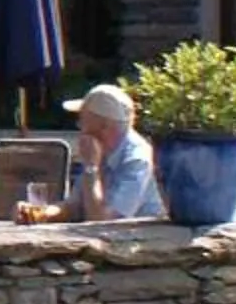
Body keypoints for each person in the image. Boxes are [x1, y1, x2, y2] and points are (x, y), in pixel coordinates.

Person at [62, 83, 163, 221]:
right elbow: (73, 208)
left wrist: (92, 168)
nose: (80, 128)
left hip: (139, 240)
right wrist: (42, 214)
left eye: (82, 121)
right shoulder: (100, 151)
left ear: (104, 127)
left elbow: (102, 222)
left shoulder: (137, 160)